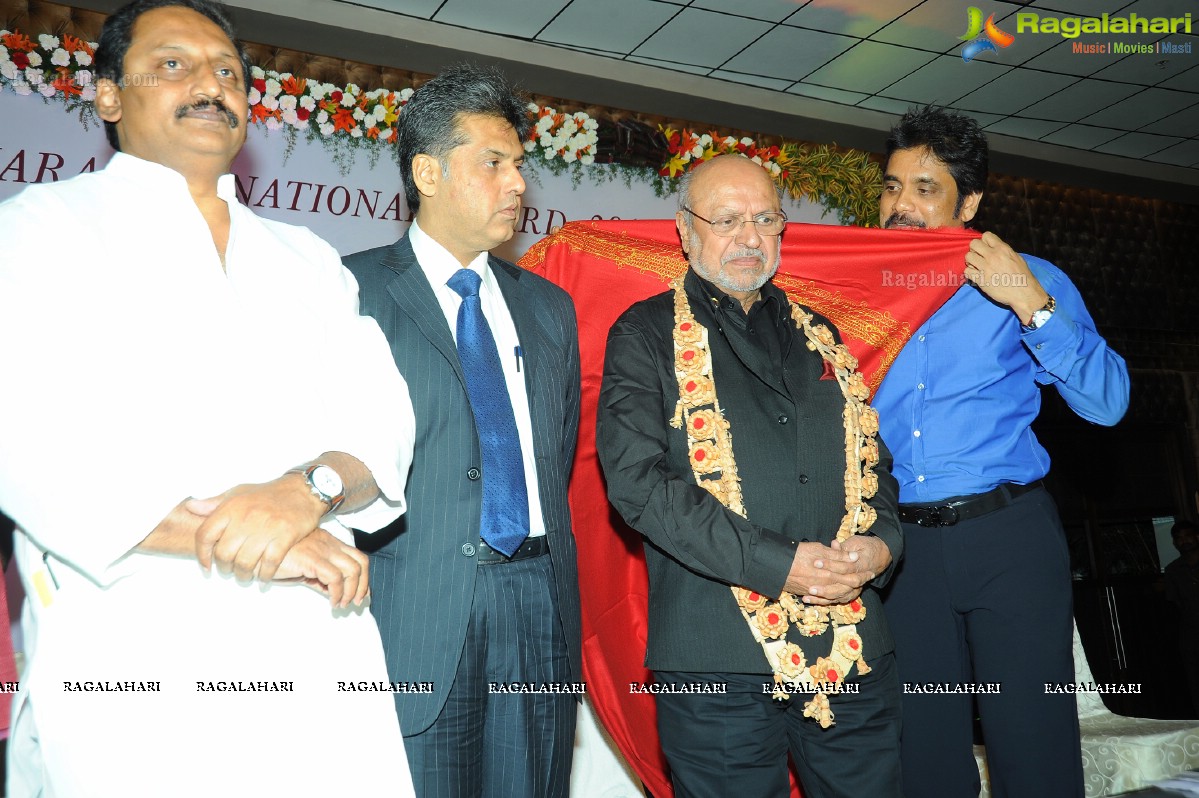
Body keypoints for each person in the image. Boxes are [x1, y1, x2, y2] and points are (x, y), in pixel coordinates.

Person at [0, 2, 418, 795]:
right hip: (133, 645)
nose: (209, 85)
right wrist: (258, 538)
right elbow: (25, 445)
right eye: (172, 64)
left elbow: (381, 419)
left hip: (316, 642)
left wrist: (306, 494)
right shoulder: (36, 232)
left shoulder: (306, 258)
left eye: (227, 71)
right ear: (110, 97)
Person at [596, 153, 904, 798]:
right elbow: (637, 483)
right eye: (727, 220)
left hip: (849, 644)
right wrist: (779, 564)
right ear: (685, 231)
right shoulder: (646, 333)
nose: (749, 238)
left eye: (765, 220)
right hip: (717, 660)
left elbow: (874, 468)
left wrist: (881, 547)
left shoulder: (820, 334)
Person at [873, 106, 1130, 798]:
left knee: (1032, 743)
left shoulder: (1029, 276)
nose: (901, 204)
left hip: (1008, 538)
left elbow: (1107, 403)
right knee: (923, 756)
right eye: (893, 186)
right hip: (901, 554)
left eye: (925, 188)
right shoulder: (858, 292)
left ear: (971, 202)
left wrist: (1031, 305)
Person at [343, 64, 582, 797]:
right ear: (427, 171)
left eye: (519, 165)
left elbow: (557, 452)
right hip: (417, 605)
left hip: (539, 603)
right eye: (493, 163)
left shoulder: (548, 309)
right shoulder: (350, 290)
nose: (517, 183)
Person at [1164, 520, 1199, 717]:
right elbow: (1175, 603)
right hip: (1191, 636)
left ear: (1196, 537)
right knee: (1195, 684)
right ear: (1175, 543)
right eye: (1179, 538)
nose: (1184, 541)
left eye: (1187, 536)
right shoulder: (1173, 570)